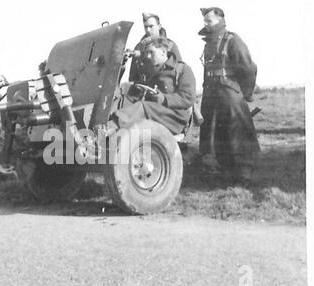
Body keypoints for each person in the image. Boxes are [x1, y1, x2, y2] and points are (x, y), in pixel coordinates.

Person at [197, 7, 260, 180]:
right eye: (205, 21)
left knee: (236, 133)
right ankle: (218, 168)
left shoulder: (232, 40)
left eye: (209, 21)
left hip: (228, 93)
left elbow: (248, 68)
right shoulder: (209, 43)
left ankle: (244, 172)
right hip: (211, 93)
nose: (206, 24)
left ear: (220, 20)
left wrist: (245, 94)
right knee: (211, 133)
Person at [109, 36, 196, 135]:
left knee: (142, 106)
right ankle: (104, 123)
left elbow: (189, 97)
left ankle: (110, 128)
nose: (148, 56)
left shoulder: (182, 69)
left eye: (151, 52)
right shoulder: (151, 70)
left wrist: (165, 99)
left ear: (163, 52)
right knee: (124, 100)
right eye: (146, 53)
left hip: (173, 117)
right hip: (155, 111)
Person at [128, 13, 182, 84]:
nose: (148, 30)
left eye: (151, 26)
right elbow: (134, 77)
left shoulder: (170, 46)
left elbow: (180, 72)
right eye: (146, 27)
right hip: (143, 89)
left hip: (164, 89)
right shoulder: (139, 47)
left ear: (159, 26)